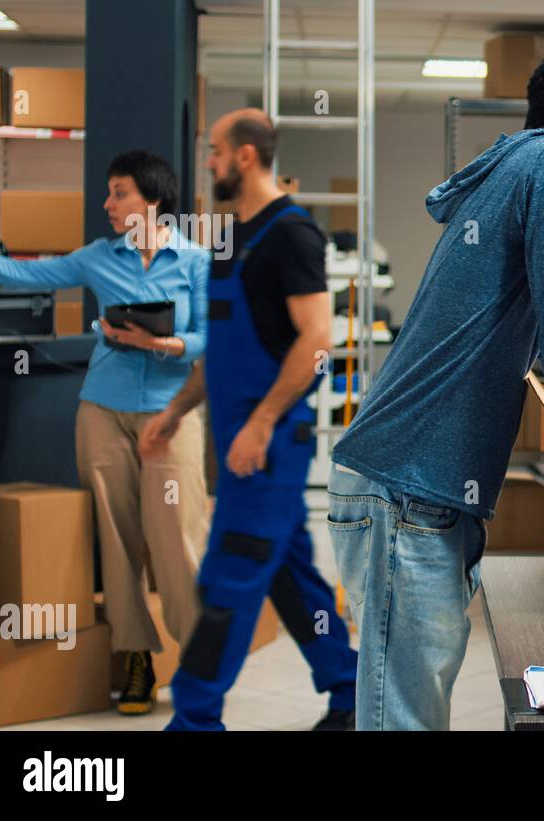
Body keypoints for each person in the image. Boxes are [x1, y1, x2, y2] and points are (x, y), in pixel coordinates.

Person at [327, 41, 544, 730]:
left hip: (416, 489)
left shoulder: (517, 167)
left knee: (412, 709)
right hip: (405, 486)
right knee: (402, 719)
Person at [141, 108, 358, 732]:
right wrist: (175, 411)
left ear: (243, 156)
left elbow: (317, 340)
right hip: (239, 444)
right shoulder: (229, 240)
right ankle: (348, 689)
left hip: (267, 448)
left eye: (214, 151)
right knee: (286, 571)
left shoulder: (292, 235)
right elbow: (224, 349)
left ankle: (195, 720)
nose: (206, 162)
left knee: (227, 581)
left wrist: (261, 424)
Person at [0, 150, 208, 716]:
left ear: (151, 200)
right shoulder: (99, 258)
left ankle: (202, 664)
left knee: (177, 539)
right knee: (117, 536)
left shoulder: (197, 260)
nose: (107, 204)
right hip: (102, 412)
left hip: (171, 414)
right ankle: (135, 659)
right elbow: (22, 274)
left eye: (119, 193)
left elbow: (214, 340)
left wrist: (161, 344)